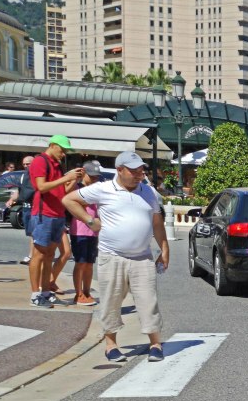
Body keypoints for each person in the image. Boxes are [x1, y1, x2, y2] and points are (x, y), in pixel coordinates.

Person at [62, 151, 168, 363]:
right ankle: (111, 345)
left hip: (142, 257)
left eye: (141, 170)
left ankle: (155, 343)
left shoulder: (149, 192)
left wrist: (164, 249)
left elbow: (157, 222)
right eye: (134, 171)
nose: (139, 174)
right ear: (120, 170)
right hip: (112, 255)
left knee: (148, 301)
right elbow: (68, 199)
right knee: (112, 299)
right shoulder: (103, 189)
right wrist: (90, 221)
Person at [27, 135, 84, 308]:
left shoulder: (57, 165)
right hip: (44, 213)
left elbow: (63, 190)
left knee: (49, 254)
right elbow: (41, 186)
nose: (64, 153)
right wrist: (67, 178)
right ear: (52, 145)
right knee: (39, 254)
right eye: (62, 149)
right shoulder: (40, 161)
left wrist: (74, 179)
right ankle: (35, 294)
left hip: (57, 214)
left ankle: (45, 291)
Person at [68, 160, 104, 306]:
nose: (95, 179)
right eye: (92, 176)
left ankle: (87, 292)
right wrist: (74, 179)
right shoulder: (77, 187)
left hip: (93, 231)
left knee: (89, 263)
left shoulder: (97, 189)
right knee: (81, 263)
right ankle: (78, 293)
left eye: (97, 176)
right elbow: (66, 196)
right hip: (79, 230)